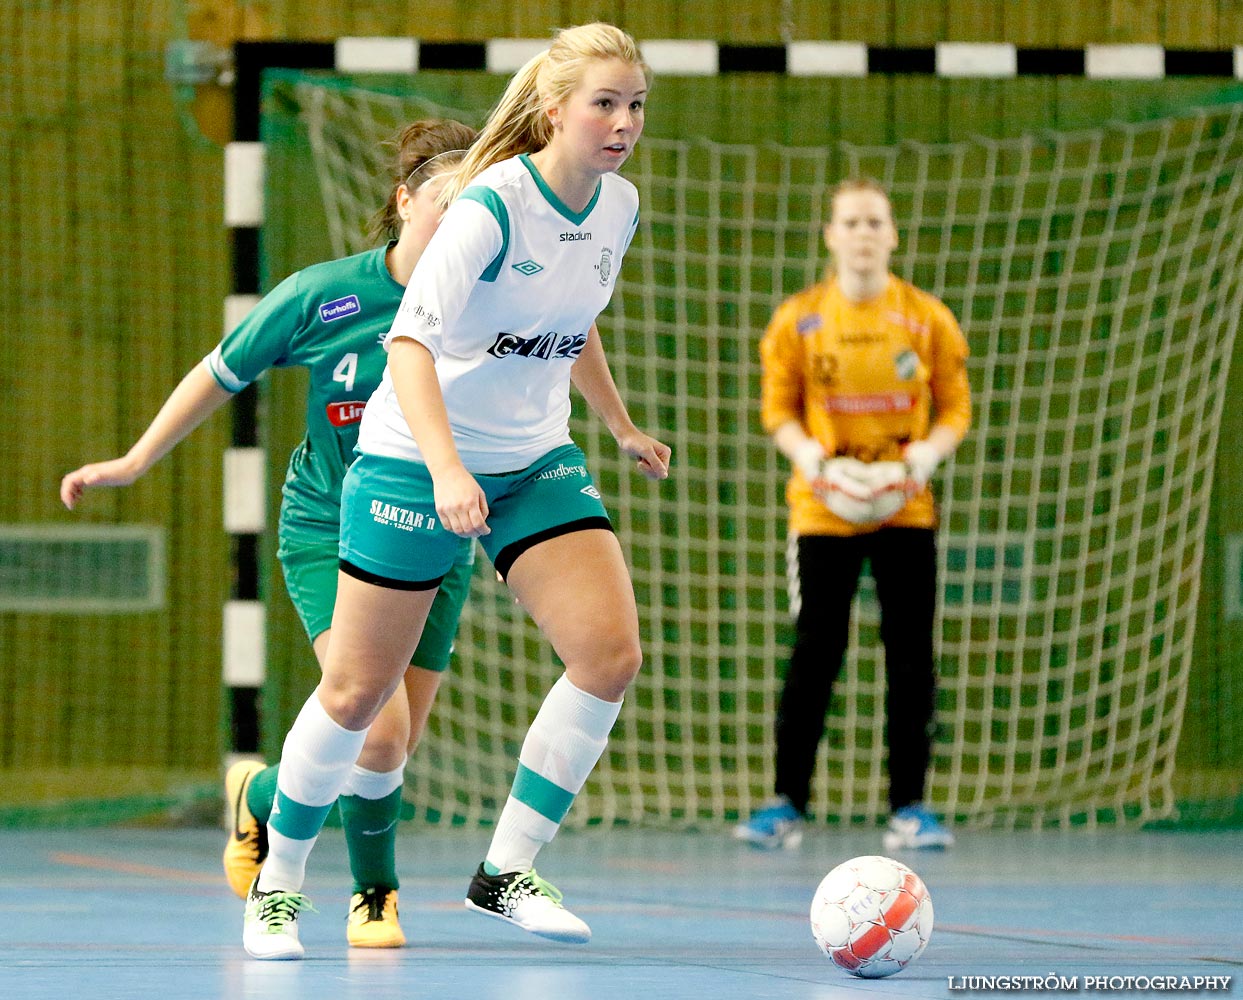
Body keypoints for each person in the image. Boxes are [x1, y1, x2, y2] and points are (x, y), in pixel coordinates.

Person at [236, 21, 669, 961]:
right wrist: (443, 469)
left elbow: (572, 320)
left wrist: (621, 424)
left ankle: (505, 870)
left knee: (609, 655)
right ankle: (278, 886)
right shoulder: (489, 208)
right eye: (604, 102)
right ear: (553, 110)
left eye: (634, 103)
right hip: (409, 457)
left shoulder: (618, 207)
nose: (623, 121)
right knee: (356, 698)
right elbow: (410, 346)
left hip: (532, 460)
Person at [60, 118, 479, 948]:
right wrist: (137, 459)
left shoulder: (484, 312)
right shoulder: (326, 295)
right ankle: (375, 895)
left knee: (392, 741)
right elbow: (221, 370)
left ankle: (257, 797)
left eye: (476, 214)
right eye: (445, 205)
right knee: (374, 723)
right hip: (333, 527)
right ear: (404, 203)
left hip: (437, 536)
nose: (458, 226)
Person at [735, 177, 971, 852]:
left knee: (910, 654)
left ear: (891, 235)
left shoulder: (927, 319)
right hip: (824, 509)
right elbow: (776, 410)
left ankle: (910, 806)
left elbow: (955, 407)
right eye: (851, 222)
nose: (863, 234)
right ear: (830, 236)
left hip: (904, 505)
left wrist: (920, 458)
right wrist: (815, 461)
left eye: (875, 222)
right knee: (815, 650)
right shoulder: (799, 320)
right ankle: (785, 802)